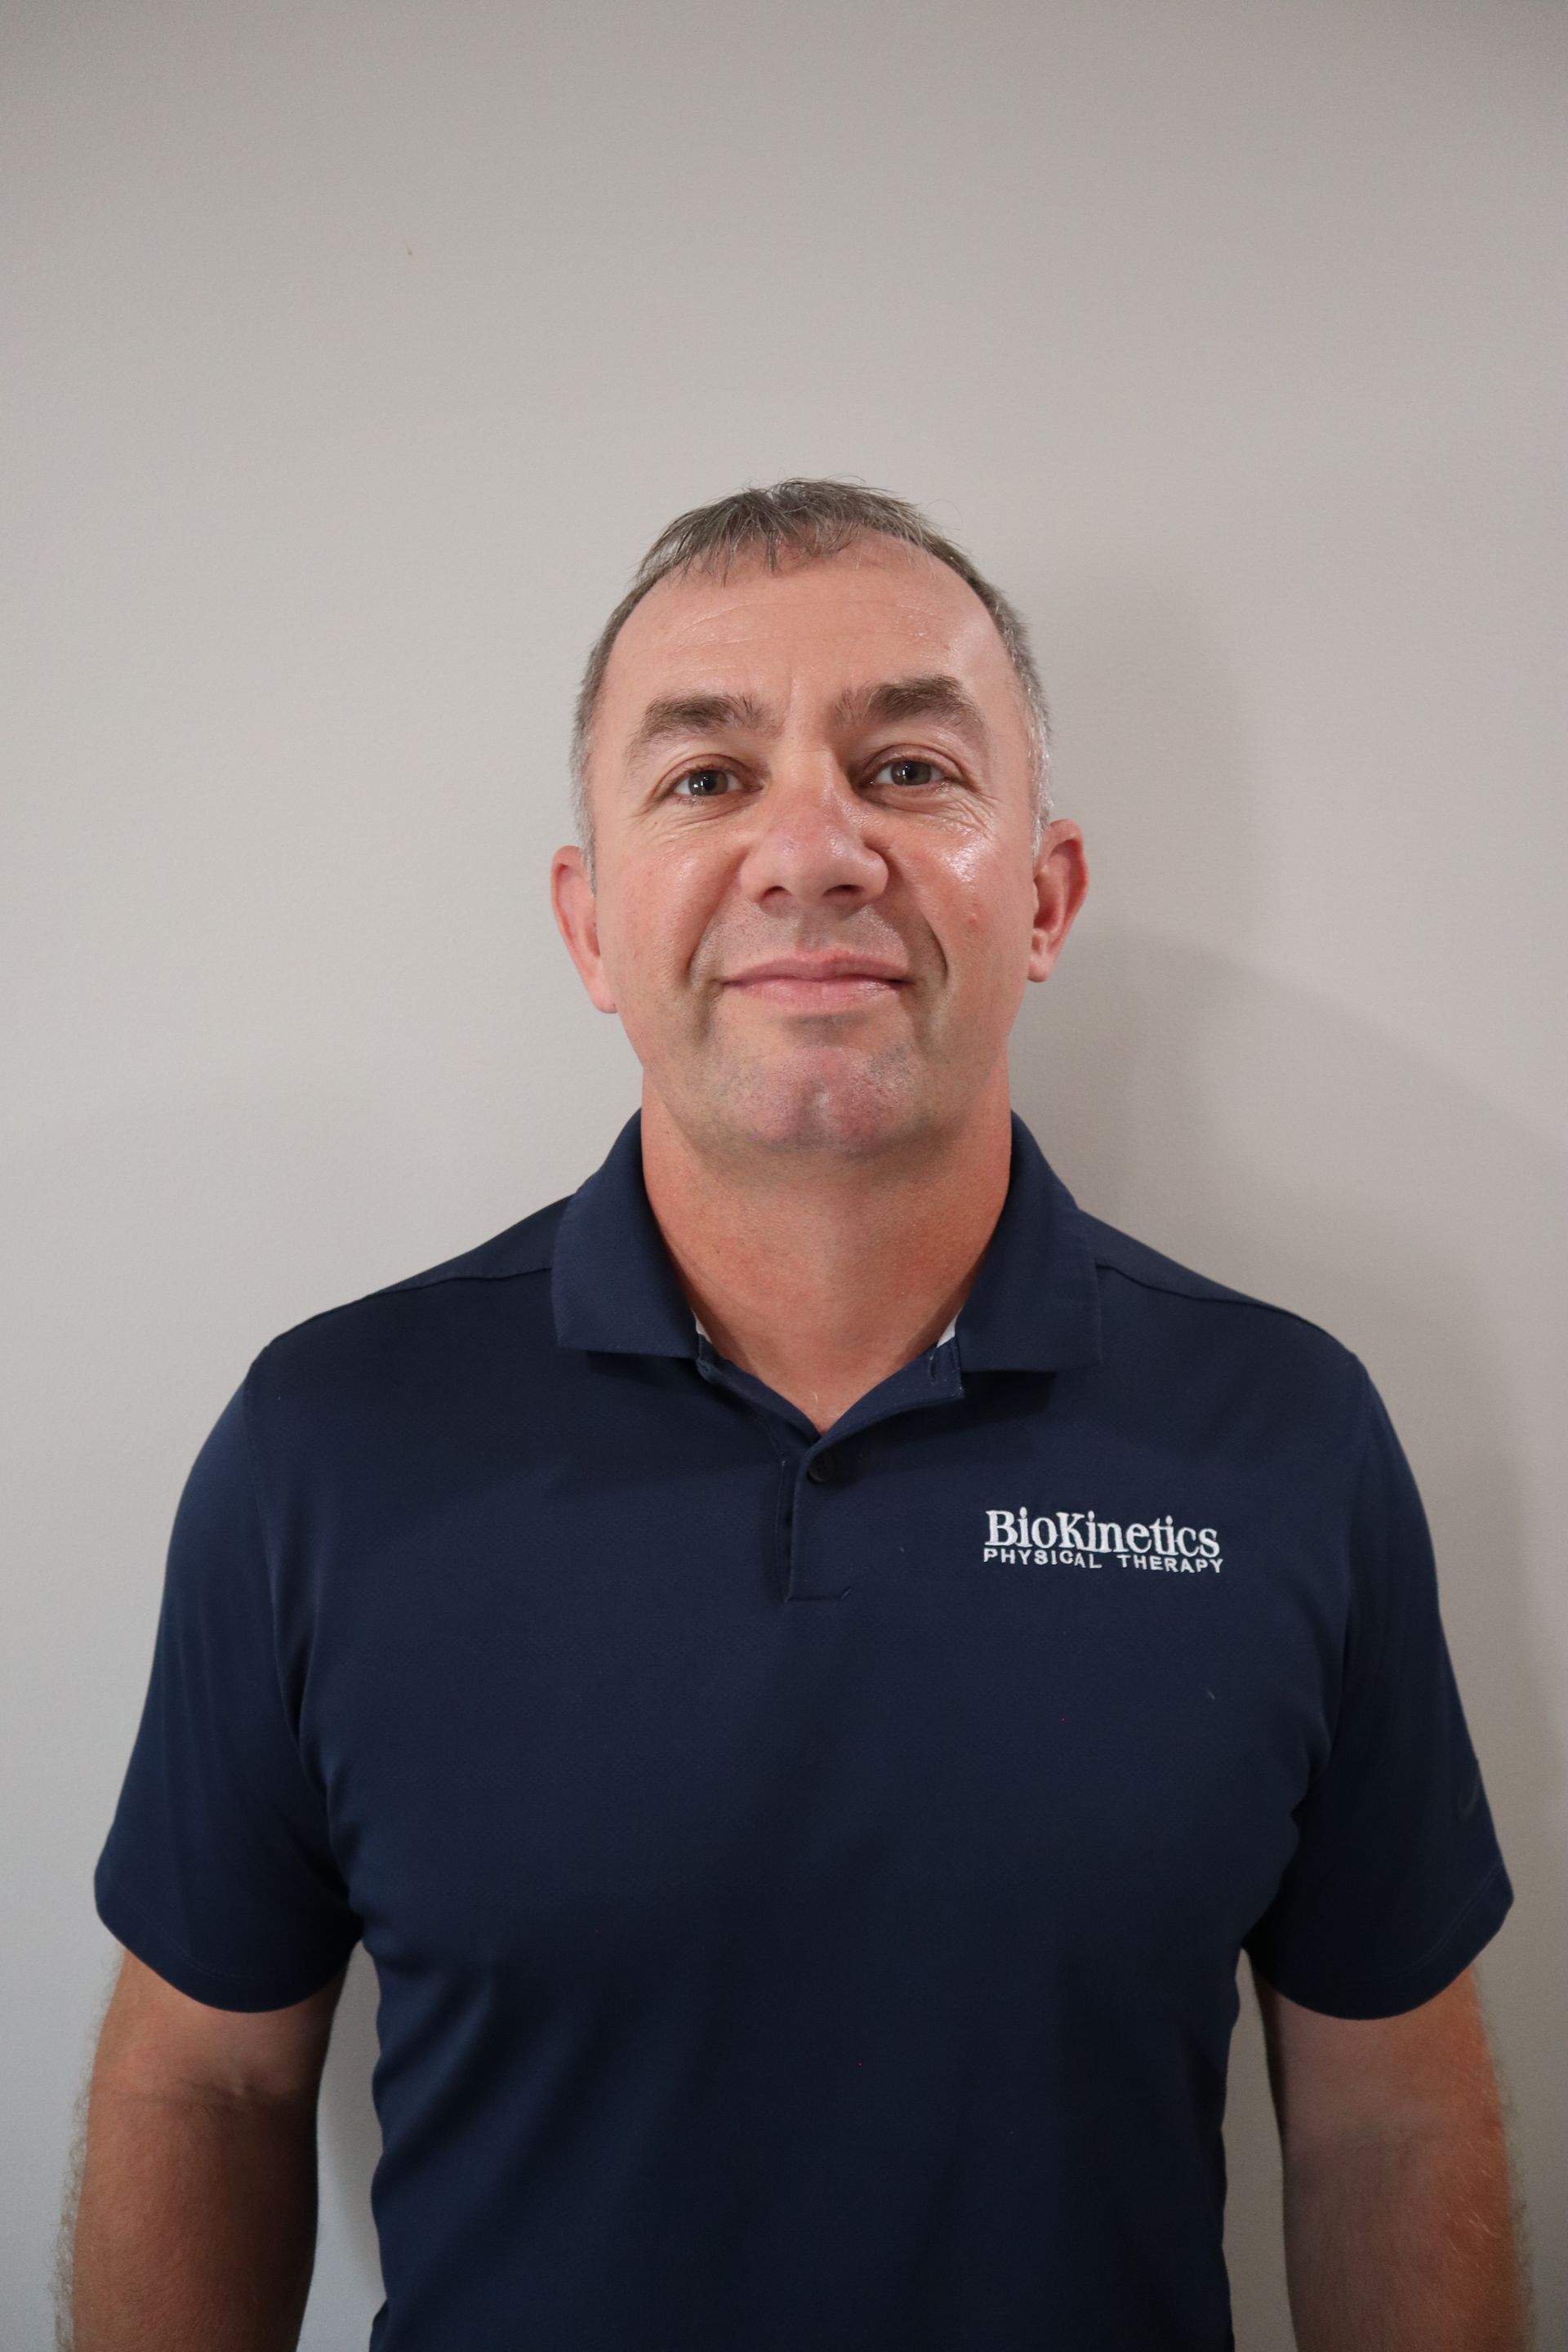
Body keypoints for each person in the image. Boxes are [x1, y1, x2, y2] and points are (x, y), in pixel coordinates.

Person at [69, 479, 1526, 2351]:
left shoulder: (1289, 1441)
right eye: (705, 779)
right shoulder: (328, 1446)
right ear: (592, 930)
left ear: (1049, 896)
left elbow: (1388, 2120)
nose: (813, 852)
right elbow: (207, 2084)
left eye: (912, 768)